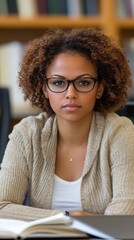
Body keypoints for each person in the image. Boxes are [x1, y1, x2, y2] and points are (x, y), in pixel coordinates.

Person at [0, 27, 134, 221]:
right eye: (58, 83)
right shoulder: (27, 133)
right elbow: (2, 207)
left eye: (84, 83)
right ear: (44, 88)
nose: (70, 93)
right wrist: (68, 217)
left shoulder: (120, 132)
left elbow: (126, 216)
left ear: (100, 88)